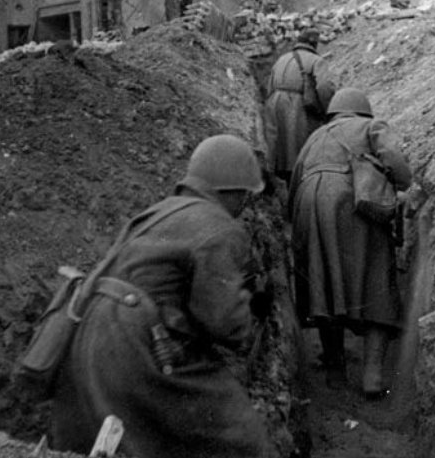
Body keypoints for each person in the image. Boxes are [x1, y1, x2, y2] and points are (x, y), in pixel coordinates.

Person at [50, 134, 273, 458]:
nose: (244, 207)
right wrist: (249, 314)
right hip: (136, 341)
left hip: (88, 334)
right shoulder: (219, 227)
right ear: (232, 190)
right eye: (245, 196)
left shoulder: (156, 213)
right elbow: (223, 320)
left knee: (130, 444)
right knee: (241, 435)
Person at [288, 88, 412, 399]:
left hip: (307, 204)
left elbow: (294, 181)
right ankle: (372, 376)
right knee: (376, 281)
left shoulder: (314, 137)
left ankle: (335, 370)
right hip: (352, 201)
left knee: (323, 287)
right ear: (363, 110)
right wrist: (405, 185)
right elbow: (394, 160)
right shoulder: (370, 126)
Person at [261, 28, 336, 186]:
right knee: (299, 151)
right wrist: (329, 111)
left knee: (279, 150)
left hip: (273, 104)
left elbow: (269, 85)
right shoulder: (316, 61)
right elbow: (324, 87)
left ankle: (277, 182)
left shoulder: (281, 59)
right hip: (296, 106)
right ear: (314, 44)